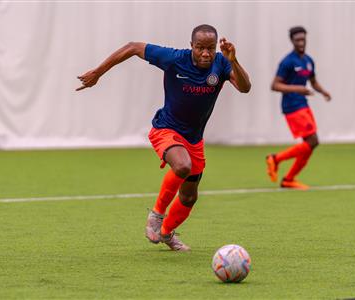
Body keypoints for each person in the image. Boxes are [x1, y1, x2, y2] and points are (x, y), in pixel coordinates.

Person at [76, 24, 251, 251]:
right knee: (182, 166)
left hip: (194, 140)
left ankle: (167, 233)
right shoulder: (174, 58)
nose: (205, 53)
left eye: (210, 48)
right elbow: (132, 47)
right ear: (191, 46)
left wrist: (234, 60)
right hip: (166, 130)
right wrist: (98, 72)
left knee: (189, 198)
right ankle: (157, 215)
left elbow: (245, 88)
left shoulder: (222, 62)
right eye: (200, 48)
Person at [267, 26, 331, 190]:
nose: (301, 43)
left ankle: (289, 179)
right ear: (292, 41)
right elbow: (274, 85)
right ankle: (275, 159)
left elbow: (313, 81)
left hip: (303, 104)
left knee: (310, 144)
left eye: (303, 39)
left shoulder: (308, 61)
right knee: (313, 141)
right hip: (292, 105)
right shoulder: (287, 61)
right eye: (297, 40)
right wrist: (298, 89)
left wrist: (323, 92)